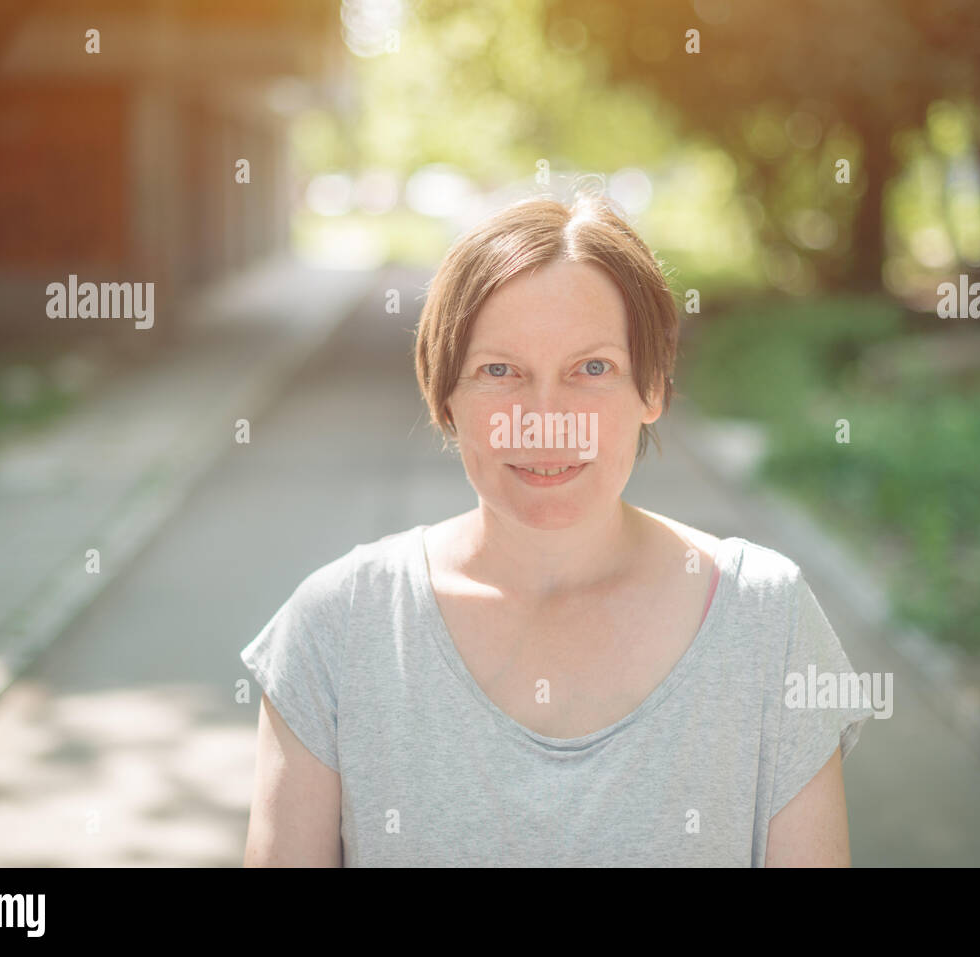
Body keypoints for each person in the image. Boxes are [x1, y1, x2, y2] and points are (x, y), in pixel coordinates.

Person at [241, 193, 874, 866]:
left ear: (652, 387)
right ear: (444, 392)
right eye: (500, 371)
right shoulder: (335, 631)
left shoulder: (767, 623)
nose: (545, 417)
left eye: (591, 368)